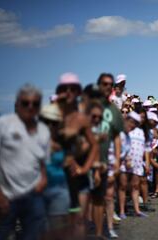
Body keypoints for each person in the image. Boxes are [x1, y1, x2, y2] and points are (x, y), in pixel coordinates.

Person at [0, 84, 50, 240]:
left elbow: (42, 160)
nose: (30, 107)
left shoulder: (42, 129)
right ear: (17, 104)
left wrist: (43, 178)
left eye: (35, 104)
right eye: (25, 103)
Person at [55, 73, 98, 239]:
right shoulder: (51, 115)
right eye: (65, 89)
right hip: (56, 177)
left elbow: (93, 144)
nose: (69, 92)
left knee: (79, 220)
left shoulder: (81, 118)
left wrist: (85, 168)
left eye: (73, 89)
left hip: (78, 177)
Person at [95, 73, 123, 238]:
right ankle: (94, 228)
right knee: (93, 197)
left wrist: (118, 159)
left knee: (108, 194)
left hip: (109, 155)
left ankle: (108, 228)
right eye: (103, 84)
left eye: (109, 85)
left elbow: (117, 136)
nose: (107, 87)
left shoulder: (114, 110)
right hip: (92, 157)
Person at [40, 104, 71, 239]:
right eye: (46, 121)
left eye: (54, 122)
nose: (50, 125)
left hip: (60, 192)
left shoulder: (64, 141)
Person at [119, 111, 150, 218]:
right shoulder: (125, 130)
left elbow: (146, 149)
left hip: (137, 163)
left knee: (135, 186)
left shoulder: (142, 132)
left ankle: (137, 210)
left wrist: (146, 163)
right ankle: (122, 210)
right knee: (123, 186)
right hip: (125, 162)